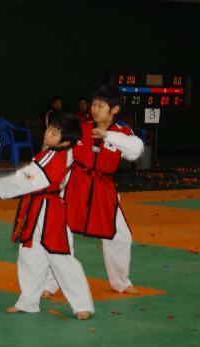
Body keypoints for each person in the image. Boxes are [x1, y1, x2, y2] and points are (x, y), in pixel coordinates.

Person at [0, 112, 93, 320]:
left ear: (65, 141)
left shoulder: (55, 155)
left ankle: (82, 304)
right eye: (49, 129)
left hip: (50, 210)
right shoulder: (55, 152)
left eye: (54, 133)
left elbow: (29, 178)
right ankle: (28, 301)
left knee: (61, 257)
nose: (48, 134)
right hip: (36, 208)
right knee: (29, 254)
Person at [61, 85, 143, 295]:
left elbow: (136, 151)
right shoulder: (81, 128)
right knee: (59, 233)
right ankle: (49, 284)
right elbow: (64, 157)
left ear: (114, 109)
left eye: (101, 105)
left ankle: (120, 282)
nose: (95, 109)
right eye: (94, 104)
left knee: (120, 236)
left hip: (103, 188)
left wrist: (108, 136)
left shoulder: (122, 133)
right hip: (76, 185)